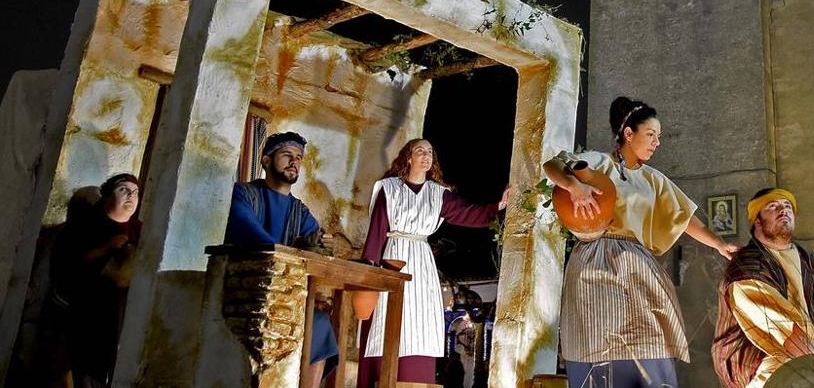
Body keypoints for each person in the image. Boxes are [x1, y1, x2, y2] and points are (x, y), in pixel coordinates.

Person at [544, 96, 740, 388]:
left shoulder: (654, 179)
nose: (657, 142)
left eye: (658, 137)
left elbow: (683, 217)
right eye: (651, 134)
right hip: (598, 261)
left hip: (639, 264)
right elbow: (552, 165)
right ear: (628, 134)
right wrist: (575, 186)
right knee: (601, 334)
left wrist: (718, 244)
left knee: (650, 337)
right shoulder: (599, 162)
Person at [356, 138, 509, 387]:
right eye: (420, 151)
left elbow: (469, 213)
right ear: (408, 157)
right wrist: (369, 271)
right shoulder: (389, 188)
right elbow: (377, 230)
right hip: (393, 256)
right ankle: (381, 374)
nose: (426, 156)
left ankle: (414, 377)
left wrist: (499, 206)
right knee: (386, 315)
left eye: (430, 152)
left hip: (421, 262)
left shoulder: (439, 195)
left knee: (420, 320)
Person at [713, 188, 814, 387]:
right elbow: (782, 331)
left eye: (787, 206)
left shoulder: (810, 261)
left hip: (812, 345)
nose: (783, 210)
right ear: (757, 221)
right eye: (772, 207)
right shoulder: (747, 267)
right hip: (760, 360)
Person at [224, 132, 338, 385]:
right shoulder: (244, 194)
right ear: (265, 161)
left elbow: (320, 247)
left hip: (289, 294)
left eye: (298, 158)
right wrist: (299, 246)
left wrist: (320, 244)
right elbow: (252, 234)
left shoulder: (300, 210)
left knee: (319, 321)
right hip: (246, 290)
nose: (294, 162)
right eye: (287, 155)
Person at [50, 173, 143, 387]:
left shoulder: (140, 231)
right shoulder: (83, 227)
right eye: (124, 190)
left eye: (135, 192)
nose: (131, 196)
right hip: (84, 315)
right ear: (107, 196)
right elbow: (65, 267)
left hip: (122, 317)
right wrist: (107, 249)